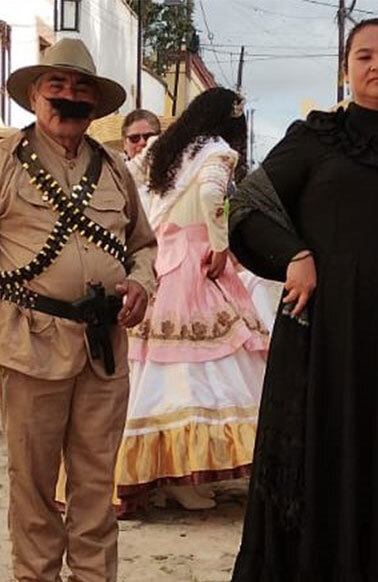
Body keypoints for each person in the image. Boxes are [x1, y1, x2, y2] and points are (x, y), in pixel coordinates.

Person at [224, 19, 378, 582]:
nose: (377, 65)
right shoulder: (315, 140)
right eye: (364, 56)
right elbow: (250, 205)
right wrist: (294, 256)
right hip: (323, 335)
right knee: (320, 457)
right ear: (346, 70)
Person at [0, 38, 157, 582]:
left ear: (95, 103)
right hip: (29, 337)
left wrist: (143, 282)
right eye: (57, 88)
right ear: (36, 95)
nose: (69, 99)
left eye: (81, 90)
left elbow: (144, 244)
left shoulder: (115, 165)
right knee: (33, 482)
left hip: (104, 346)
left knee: (96, 480)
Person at [117, 87, 267, 513]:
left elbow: (130, 178)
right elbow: (210, 197)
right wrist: (220, 244)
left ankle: (162, 474)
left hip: (161, 256)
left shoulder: (166, 148)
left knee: (157, 367)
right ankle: (187, 473)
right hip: (194, 260)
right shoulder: (219, 151)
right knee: (202, 364)